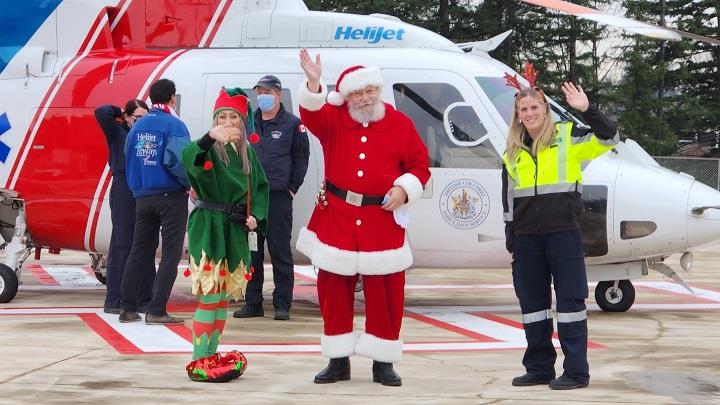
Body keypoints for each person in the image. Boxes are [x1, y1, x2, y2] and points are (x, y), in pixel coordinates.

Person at [296, 49, 431, 387]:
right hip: (338, 217)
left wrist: (403, 190)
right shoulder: (333, 120)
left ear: (379, 90)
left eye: (370, 90)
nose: (365, 97)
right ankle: (338, 360)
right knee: (333, 291)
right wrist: (314, 82)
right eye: (357, 92)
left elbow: (419, 166)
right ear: (347, 96)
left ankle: (383, 363)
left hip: (381, 221)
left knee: (386, 293)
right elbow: (310, 114)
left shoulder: (400, 124)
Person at [501, 67, 619, 390]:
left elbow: (610, 136)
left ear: (545, 109)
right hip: (527, 240)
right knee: (533, 306)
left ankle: (576, 372)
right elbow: (508, 201)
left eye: (534, 108)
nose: (529, 113)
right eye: (523, 110)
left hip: (563, 235)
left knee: (570, 304)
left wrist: (586, 109)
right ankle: (539, 367)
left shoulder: (569, 137)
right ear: (518, 115)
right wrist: (513, 241)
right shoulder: (511, 152)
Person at [181, 87, 269, 382]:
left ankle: (211, 354)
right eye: (223, 117)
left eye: (234, 117)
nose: (229, 122)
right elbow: (189, 159)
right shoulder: (206, 148)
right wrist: (209, 139)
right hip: (209, 226)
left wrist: (255, 214)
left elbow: (259, 187)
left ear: (243, 122)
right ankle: (199, 360)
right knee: (209, 297)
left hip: (234, 228)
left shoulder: (248, 155)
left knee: (221, 301)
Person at [232, 75, 309, 321]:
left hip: (278, 196)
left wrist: (292, 187)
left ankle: (282, 304)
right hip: (252, 198)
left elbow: (301, 158)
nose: (262, 96)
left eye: (267, 92)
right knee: (252, 251)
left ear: (278, 94)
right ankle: (253, 302)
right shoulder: (248, 124)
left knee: (280, 252)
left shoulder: (292, 124)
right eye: (259, 92)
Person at [118, 78, 191, 325]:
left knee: (139, 250)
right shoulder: (175, 125)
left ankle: (127, 308)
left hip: (142, 197)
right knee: (170, 255)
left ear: (150, 98)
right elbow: (178, 161)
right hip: (170, 196)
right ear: (172, 98)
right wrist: (189, 183)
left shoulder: (136, 127)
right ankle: (156, 309)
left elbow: (129, 157)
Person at [94, 100, 156, 314]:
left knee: (146, 243)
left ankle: (144, 297)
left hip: (146, 187)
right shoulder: (117, 133)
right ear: (127, 117)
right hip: (124, 187)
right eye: (137, 117)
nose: (142, 122)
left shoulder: (149, 135)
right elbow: (101, 112)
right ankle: (115, 299)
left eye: (146, 118)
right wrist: (119, 112)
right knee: (122, 243)